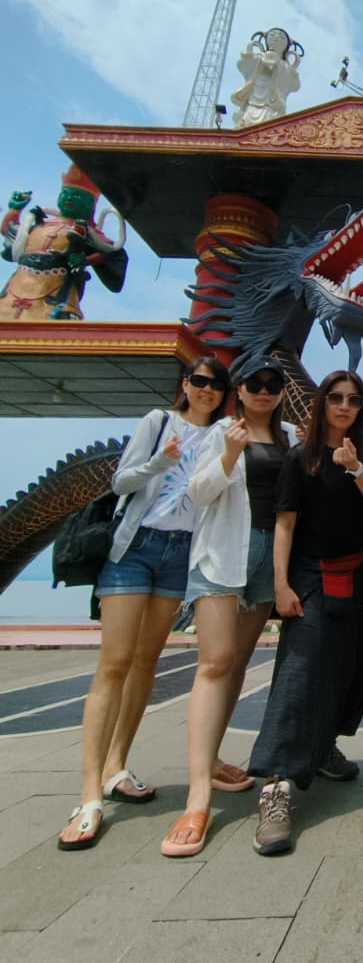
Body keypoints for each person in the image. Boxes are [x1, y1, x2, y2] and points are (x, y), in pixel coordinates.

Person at [57, 355, 230, 850]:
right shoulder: (158, 422)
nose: (207, 390)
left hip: (181, 555)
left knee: (146, 662)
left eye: (216, 384)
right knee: (114, 663)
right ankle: (89, 795)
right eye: (199, 381)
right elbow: (121, 482)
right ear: (186, 384)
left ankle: (116, 767)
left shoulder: (222, 435)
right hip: (136, 548)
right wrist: (161, 462)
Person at [246, 370, 363, 854]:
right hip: (311, 577)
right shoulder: (299, 457)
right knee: (299, 675)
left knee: (355, 668)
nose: (344, 406)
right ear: (322, 402)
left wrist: (355, 467)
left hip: (360, 575)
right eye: (336, 397)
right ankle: (276, 786)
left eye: (353, 399)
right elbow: (285, 525)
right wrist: (281, 586)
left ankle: (323, 746)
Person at [161, 357, 297, 857]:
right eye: (254, 383)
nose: (264, 390)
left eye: (272, 384)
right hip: (221, 554)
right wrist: (229, 455)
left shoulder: (289, 438)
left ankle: (213, 759)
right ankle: (197, 796)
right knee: (215, 664)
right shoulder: (222, 432)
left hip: (265, 559)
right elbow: (197, 493)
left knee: (237, 664)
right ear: (238, 390)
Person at [1, 165, 127, 321]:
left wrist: (85, 259)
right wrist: (14, 211)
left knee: (59, 320)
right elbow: (12, 233)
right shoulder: (39, 224)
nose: (69, 199)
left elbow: (110, 253)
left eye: (77, 196)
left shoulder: (87, 232)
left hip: (56, 289)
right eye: (65, 194)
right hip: (18, 284)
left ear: (91, 206)